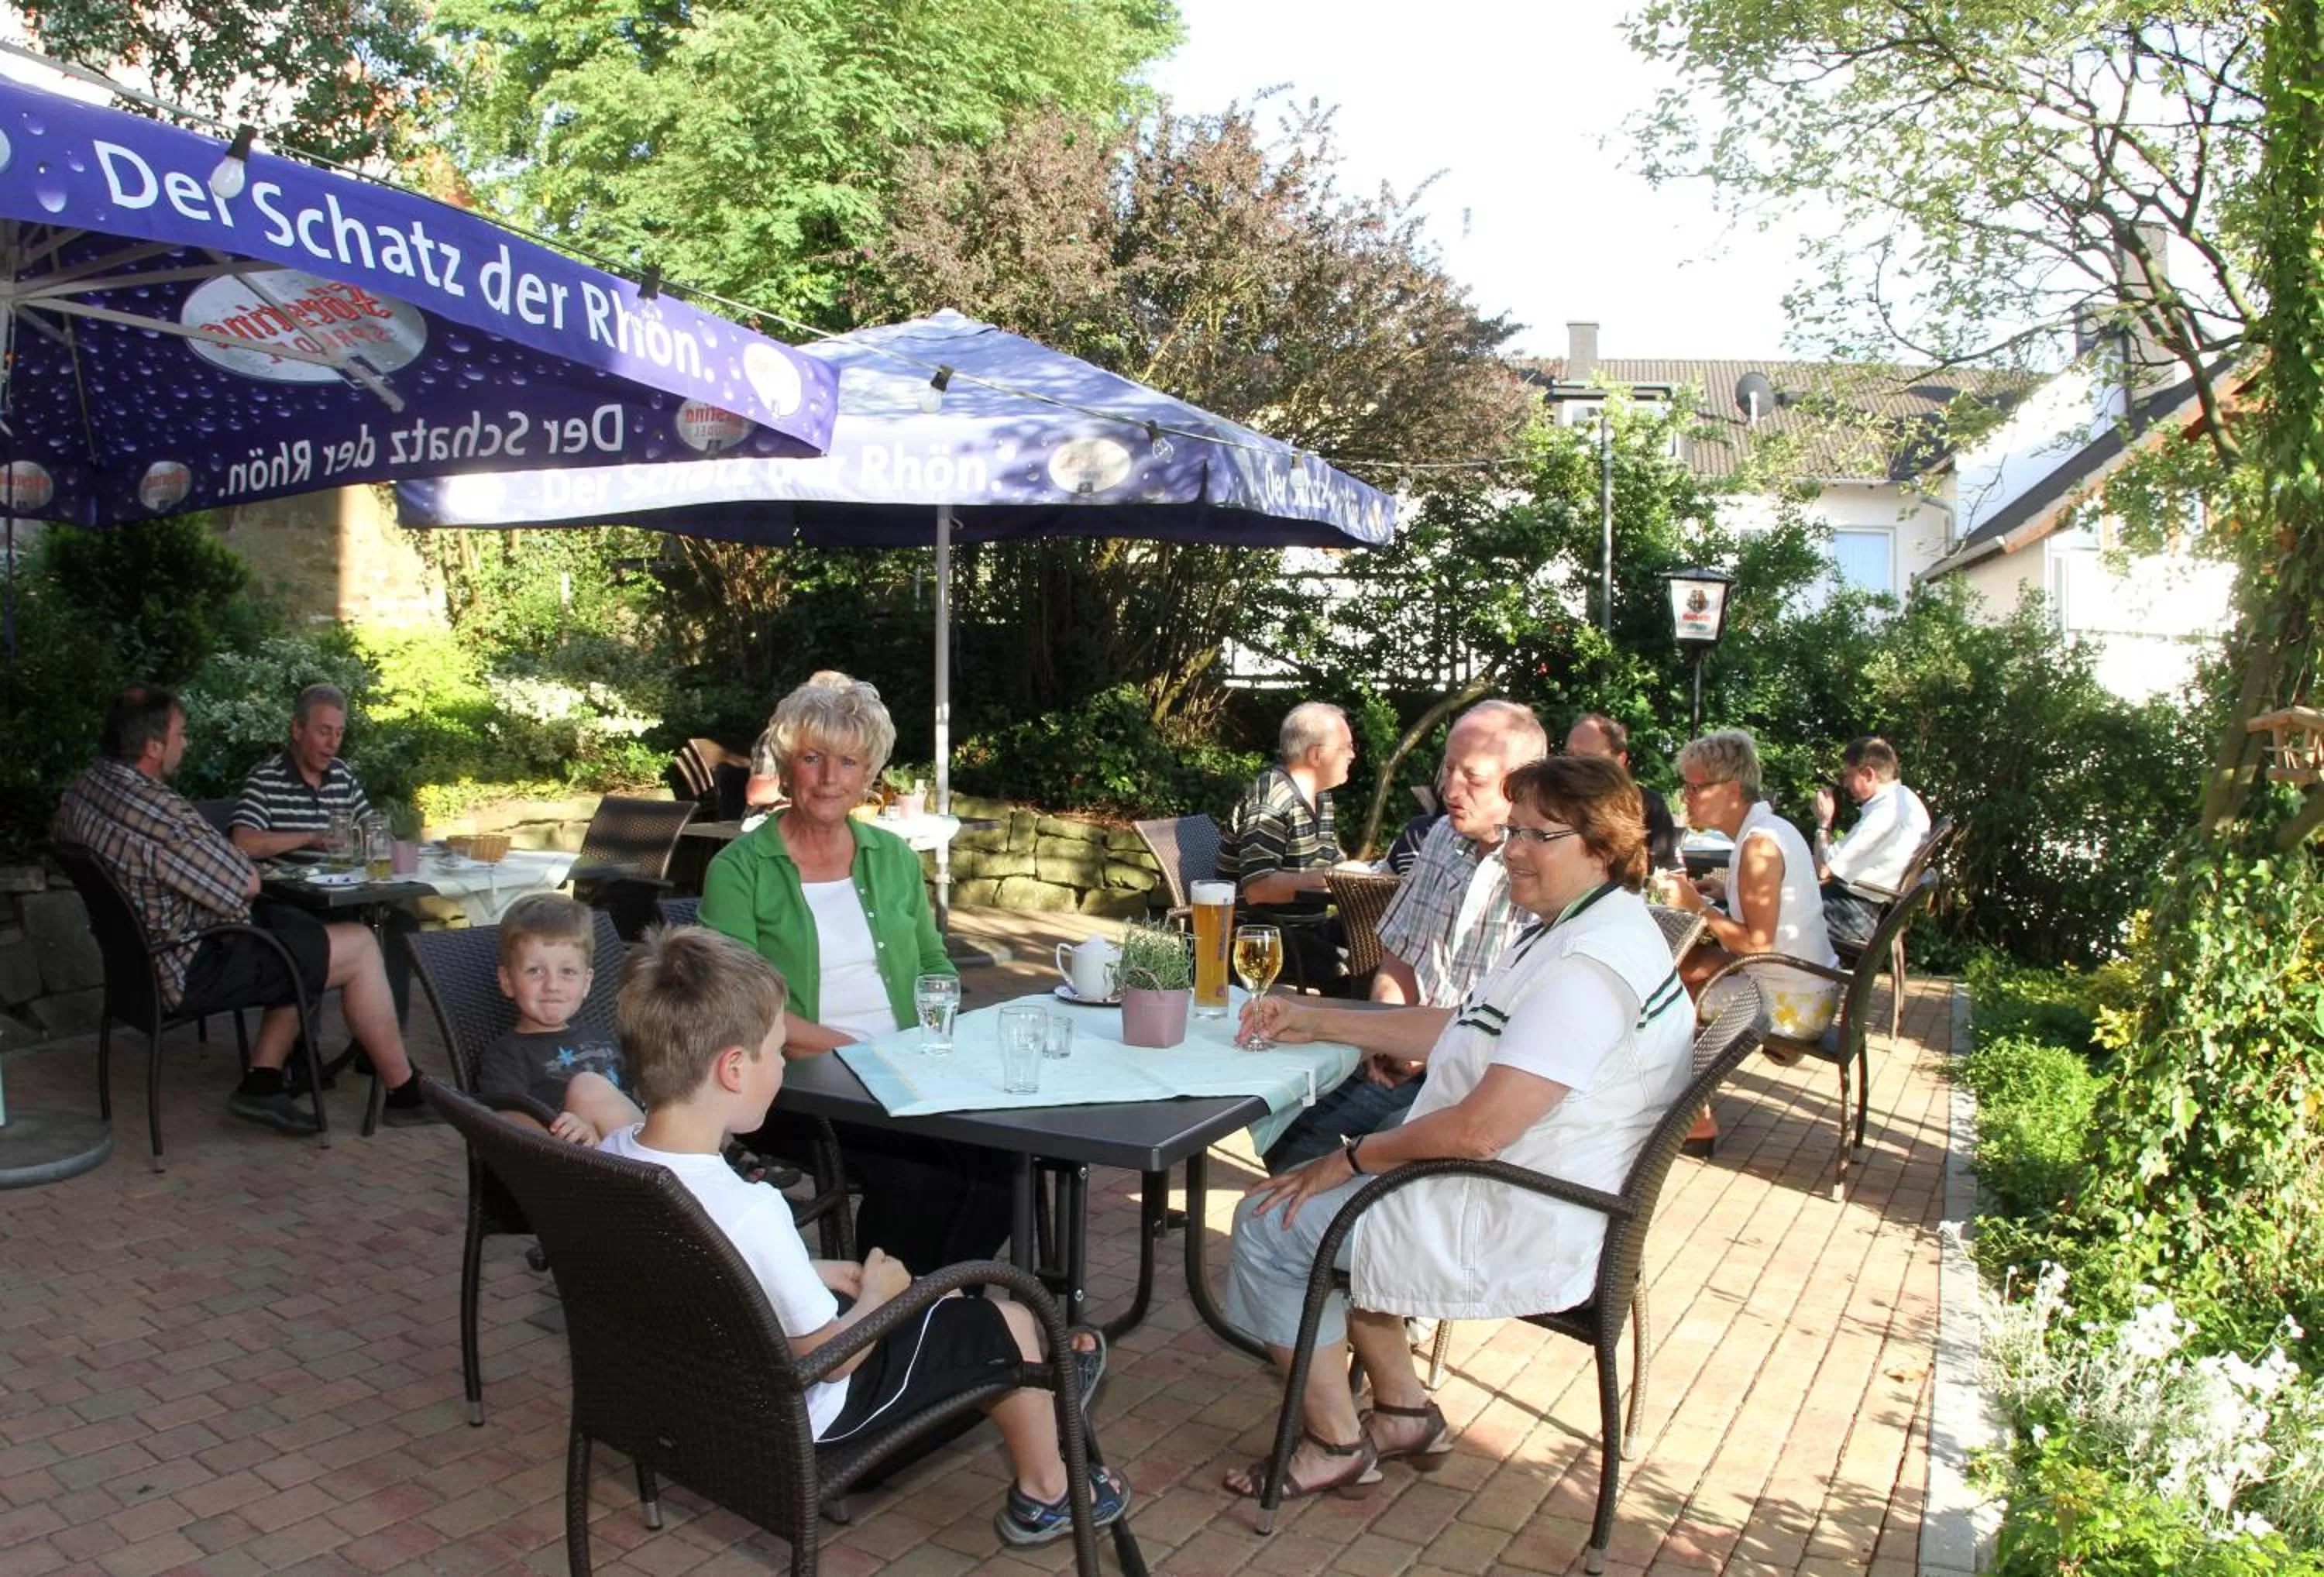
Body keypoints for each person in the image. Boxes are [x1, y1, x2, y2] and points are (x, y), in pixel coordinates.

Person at [1216, 755, 1695, 1501]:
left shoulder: (1589, 968)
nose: (1513, 851)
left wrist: (1351, 1160)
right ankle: (1404, 1413)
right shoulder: (1581, 926)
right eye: (1514, 832)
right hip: (1519, 1182)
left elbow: (1479, 1131)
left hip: (1520, 1212)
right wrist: (1318, 1020)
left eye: (1539, 836)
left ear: (1602, 848)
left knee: (1267, 1223)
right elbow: (1464, 1027)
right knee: (1318, 1202)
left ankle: (1336, 1443)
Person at [600, 925, 1131, 1547]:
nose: (782, 1066)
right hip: (798, 1417)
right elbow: (833, 1360)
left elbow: (708, 1263)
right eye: (777, 1052)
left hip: (688, 1399)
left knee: (940, 1300)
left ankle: (1038, 1383)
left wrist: (820, 1271)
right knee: (1004, 1318)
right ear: (734, 1069)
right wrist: (881, 1294)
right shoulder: (751, 1210)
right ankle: (1049, 1490)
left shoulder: (612, 1159)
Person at [700, 671, 1012, 1269]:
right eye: (812, 758)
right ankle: (884, 1312)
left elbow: (932, 961)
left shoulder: (892, 856)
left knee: (1004, 1167)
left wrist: (936, 1034)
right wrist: (861, 1054)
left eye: (847, 762)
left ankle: (932, 1307)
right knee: (919, 1180)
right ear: (786, 767)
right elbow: (740, 1009)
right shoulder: (739, 869)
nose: (829, 778)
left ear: (868, 774)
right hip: (794, 1085)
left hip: (902, 1068)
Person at [53, 686, 435, 1132]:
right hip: (188, 963)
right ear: (154, 747)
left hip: (141, 963)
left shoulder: (83, 791)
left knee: (298, 932)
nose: (186, 743)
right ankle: (404, 1093)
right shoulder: (163, 816)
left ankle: (263, 1082)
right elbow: (245, 882)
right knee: (360, 946)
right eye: (181, 734)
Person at [1260, 699, 1549, 1173]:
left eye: (1473, 778)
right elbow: (1398, 957)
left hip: (1476, 1083)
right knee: (1286, 1115)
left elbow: (1517, 1027)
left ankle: (1344, 1207)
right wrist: (1388, 1038)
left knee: (1358, 1157)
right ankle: (1325, 1209)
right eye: (1448, 769)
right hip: (1406, 1051)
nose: (1450, 789)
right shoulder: (1440, 838)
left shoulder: (1540, 870)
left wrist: (1411, 1047)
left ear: (1522, 784)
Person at [229, 682, 415, 1087]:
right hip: (284, 902)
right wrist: (310, 837)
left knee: (398, 926)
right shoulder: (266, 779)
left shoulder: (342, 776)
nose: (332, 744)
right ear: (298, 730)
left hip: (340, 894)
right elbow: (243, 842)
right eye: (323, 731)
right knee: (310, 936)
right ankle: (301, 1048)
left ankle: (375, 1048)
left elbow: (370, 826)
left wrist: (383, 842)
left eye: (339, 733)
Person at [1217, 701, 1370, 987]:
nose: (1352, 754)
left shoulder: (1321, 797)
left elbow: (1332, 864)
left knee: (1386, 945)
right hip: (1264, 938)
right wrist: (1331, 876)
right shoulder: (1274, 799)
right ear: (1316, 754)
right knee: (1359, 976)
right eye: (1346, 747)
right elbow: (1257, 888)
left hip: (1307, 929)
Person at [479, 893, 645, 1146]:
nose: (552, 985)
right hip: (573, 1159)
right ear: (507, 981)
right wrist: (568, 1138)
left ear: (586, 982)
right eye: (535, 971)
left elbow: (636, 1097)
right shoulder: (507, 1055)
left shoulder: (602, 1039)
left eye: (567, 971)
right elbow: (510, 1124)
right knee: (588, 1088)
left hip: (633, 1148)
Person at [1813, 736, 1932, 956]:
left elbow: (1822, 870)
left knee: (1775, 912)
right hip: (1866, 907)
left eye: (1848, 775)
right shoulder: (1904, 799)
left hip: (1855, 914)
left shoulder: (1885, 814)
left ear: (1868, 774)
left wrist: (1823, 823)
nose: (1845, 784)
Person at [1564, 712, 1681, 871]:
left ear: (1620, 760)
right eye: (1569, 755)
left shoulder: (1648, 806)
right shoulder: (1550, 804)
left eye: (1587, 758)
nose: (1573, 765)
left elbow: (1672, 876)